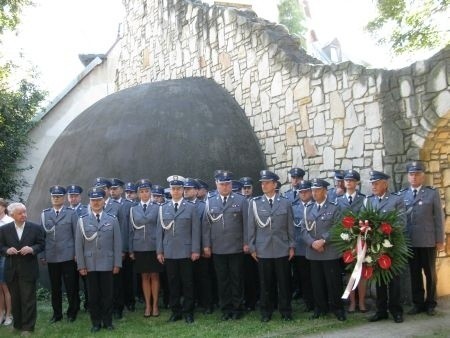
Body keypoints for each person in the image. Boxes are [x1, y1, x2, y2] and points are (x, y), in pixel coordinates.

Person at [248, 170, 295, 322]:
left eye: (267, 182)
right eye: (262, 183)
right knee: (265, 283)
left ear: (275, 184)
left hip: (282, 248)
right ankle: (266, 312)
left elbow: (290, 226)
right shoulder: (255, 203)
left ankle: (286, 311)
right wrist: (252, 247)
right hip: (263, 249)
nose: (263, 185)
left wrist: (291, 246)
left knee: (284, 282)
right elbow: (251, 227)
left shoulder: (285, 202)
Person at [400, 161, 445, 316]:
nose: (414, 177)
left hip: (427, 240)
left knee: (430, 273)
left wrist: (440, 240)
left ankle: (431, 303)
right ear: (408, 176)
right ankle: (418, 303)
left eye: (417, 174)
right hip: (411, 241)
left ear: (423, 176)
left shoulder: (432, 193)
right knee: (414, 273)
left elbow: (439, 218)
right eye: (411, 174)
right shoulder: (403, 194)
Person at [203, 171, 248, 320]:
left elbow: (247, 225)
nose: (225, 186)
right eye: (222, 184)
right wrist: (206, 245)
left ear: (231, 184)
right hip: (218, 247)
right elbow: (206, 226)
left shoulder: (241, 200)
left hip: (236, 247)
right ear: (216, 184)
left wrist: (246, 243)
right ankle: (226, 308)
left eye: (227, 184)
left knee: (237, 279)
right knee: (222, 280)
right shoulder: (210, 201)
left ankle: (237, 308)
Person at [75, 187, 122, 332]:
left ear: (103, 201)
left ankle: (108, 322)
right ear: (89, 202)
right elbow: (79, 245)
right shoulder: (82, 220)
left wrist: (117, 263)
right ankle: (96, 322)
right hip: (90, 264)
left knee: (108, 295)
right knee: (93, 296)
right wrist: (81, 265)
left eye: (98, 200)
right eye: (93, 200)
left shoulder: (112, 219)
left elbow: (117, 243)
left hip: (107, 263)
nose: (95, 203)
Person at [157, 175, 201, 324]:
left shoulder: (191, 208)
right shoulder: (163, 208)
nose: (175, 191)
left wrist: (195, 250)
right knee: (173, 283)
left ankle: (188, 312)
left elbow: (195, 231)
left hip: (186, 252)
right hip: (169, 252)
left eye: (178, 189)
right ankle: (176, 311)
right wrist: (159, 251)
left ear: (183, 190)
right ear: (170, 191)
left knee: (188, 282)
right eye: (173, 189)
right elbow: (159, 232)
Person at [302, 178, 346, 322]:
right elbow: (303, 230)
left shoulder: (334, 207)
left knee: (333, 283)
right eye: (313, 190)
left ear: (325, 191)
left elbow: (338, 227)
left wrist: (323, 241)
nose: (314, 193)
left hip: (329, 252)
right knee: (317, 283)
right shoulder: (308, 208)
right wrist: (312, 242)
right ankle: (320, 308)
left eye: (317, 190)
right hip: (314, 252)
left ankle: (338, 309)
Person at [365, 170, 406, 324]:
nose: (373, 187)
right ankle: (381, 311)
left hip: (392, 247)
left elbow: (401, 222)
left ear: (385, 184)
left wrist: (384, 231)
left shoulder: (396, 200)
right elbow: (364, 221)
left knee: (394, 280)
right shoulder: (369, 201)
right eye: (372, 184)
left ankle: (396, 311)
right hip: (376, 248)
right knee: (380, 280)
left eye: (376, 184)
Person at [0, 203, 45, 335]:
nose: (23, 215)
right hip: (11, 269)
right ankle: (18, 325)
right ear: (12, 215)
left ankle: (27, 328)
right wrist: (6, 250)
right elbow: (0, 246)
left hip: (28, 269)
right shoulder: (4, 229)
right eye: (20, 213)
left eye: (25, 212)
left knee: (28, 299)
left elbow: (42, 244)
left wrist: (32, 249)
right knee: (15, 298)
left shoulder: (35, 228)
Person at [40, 185, 80, 323]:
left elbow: (76, 235)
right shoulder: (45, 214)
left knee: (71, 286)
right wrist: (43, 255)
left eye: (58, 196)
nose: (56, 199)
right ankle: (57, 314)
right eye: (53, 196)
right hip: (52, 256)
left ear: (63, 198)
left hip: (68, 255)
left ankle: (72, 312)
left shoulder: (71, 213)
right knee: (55, 287)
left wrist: (76, 254)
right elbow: (42, 237)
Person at [129, 179, 163, 318]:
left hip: (154, 246)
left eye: (146, 191)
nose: (144, 194)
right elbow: (131, 230)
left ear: (150, 192)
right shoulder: (133, 209)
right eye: (141, 192)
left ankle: (155, 305)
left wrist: (160, 249)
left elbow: (161, 229)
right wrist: (131, 249)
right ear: (138, 194)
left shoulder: (157, 207)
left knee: (155, 275)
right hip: (139, 247)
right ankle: (147, 305)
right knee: (144, 276)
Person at [336, 170, 367, 313]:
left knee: (360, 272)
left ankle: (361, 303)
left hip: (360, 240)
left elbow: (367, 218)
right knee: (349, 272)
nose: (348, 182)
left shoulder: (363, 199)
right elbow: (337, 222)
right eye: (346, 180)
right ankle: (352, 302)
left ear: (357, 183)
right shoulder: (338, 200)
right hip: (345, 241)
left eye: (352, 180)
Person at [291, 180, 314, 312]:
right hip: (300, 248)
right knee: (304, 277)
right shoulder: (294, 207)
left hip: (315, 247)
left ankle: (320, 300)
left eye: (306, 191)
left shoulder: (316, 205)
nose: (303, 194)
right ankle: (308, 303)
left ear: (311, 192)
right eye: (301, 192)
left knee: (316, 276)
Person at [0, 198, 13, 326]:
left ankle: (9, 315)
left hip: (5, 256)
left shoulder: (9, 221)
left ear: (4, 207)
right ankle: (1, 313)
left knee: (5, 286)